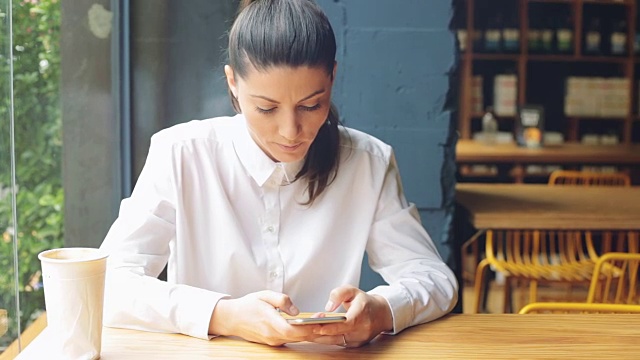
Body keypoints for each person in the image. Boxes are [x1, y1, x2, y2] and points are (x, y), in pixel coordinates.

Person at [100, 0, 457, 348]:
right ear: (233, 84)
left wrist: (382, 310)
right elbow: (107, 284)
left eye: (311, 105)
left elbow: (435, 279)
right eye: (266, 108)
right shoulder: (181, 153)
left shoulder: (368, 162)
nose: (291, 130)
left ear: (333, 77)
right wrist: (224, 315)